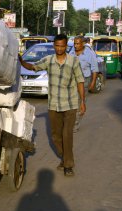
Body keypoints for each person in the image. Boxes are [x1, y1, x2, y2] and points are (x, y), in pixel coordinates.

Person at [18, 34, 85, 177]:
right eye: (57, 45)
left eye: (62, 46)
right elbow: (33, 67)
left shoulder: (73, 61)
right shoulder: (48, 61)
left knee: (67, 135)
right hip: (54, 104)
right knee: (55, 136)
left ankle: (68, 165)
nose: (59, 48)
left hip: (70, 104)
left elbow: (80, 81)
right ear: (54, 45)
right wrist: (22, 61)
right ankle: (64, 157)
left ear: (66, 46)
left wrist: (83, 102)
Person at [69, 36, 99, 132]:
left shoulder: (90, 53)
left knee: (80, 102)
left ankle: (75, 125)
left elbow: (95, 69)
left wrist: (93, 82)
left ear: (82, 44)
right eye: (74, 43)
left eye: (77, 44)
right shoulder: (72, 52)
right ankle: (70, 122)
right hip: (72, 80)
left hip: (84, 80)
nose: (76, 45)